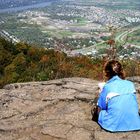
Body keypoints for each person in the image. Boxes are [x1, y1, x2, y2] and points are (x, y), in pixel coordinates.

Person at [92, 60, 140, 132]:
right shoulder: (130, 84)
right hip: (135, 123)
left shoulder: (107, 87)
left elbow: (101, 107)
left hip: (112, 125)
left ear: (107, 73)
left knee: (95, 111)